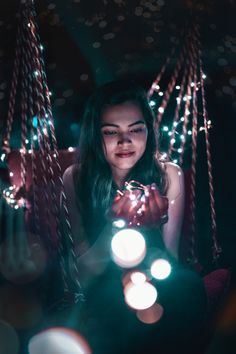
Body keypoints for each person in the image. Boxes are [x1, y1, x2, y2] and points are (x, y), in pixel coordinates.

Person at [61, 80, 207, 354]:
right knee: (117, 303)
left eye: (135, 130)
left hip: (157, 280)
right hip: (103, 284)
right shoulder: (76, 178)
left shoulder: (168, 175)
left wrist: (152, 231)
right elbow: (81, 274)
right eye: (110, 132)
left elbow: (170, 262)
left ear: (148, 132)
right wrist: (116, 226)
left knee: (188, 286)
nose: (124, 142)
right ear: (96, 135)